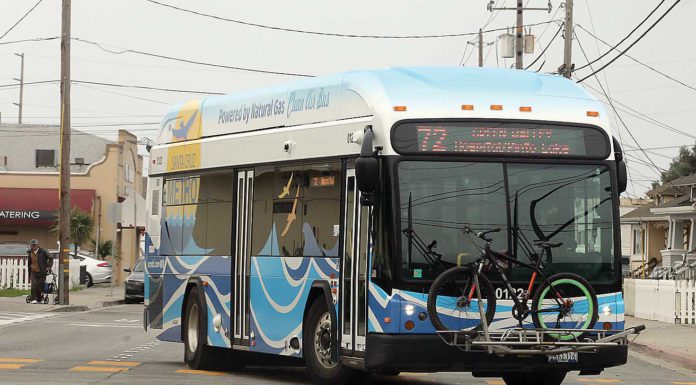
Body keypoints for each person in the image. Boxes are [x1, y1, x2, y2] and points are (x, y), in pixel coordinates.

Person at [27, 239, 51, 304]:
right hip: (33, 271)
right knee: (34, 285)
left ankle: (39, 299)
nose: (33, 246)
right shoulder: (30, 252)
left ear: (38, 245)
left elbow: (51, 258)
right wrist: (29, 271)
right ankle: (33, 299)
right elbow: (29, 263)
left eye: (35, 245)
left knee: (40, 286)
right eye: (32, 245)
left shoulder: (43, 251)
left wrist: (48, 266)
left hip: (42, 272)